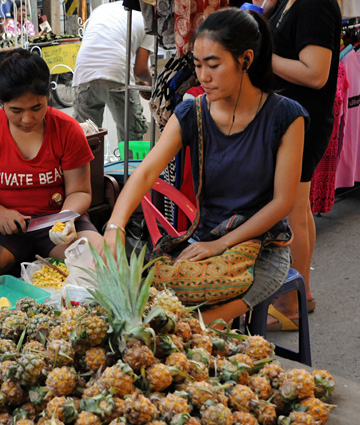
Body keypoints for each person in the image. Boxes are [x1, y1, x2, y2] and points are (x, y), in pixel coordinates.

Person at [100, 8, 308, 325]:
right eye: (197, 66)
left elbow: (283, 202)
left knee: (191, 326)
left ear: (246, 59)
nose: (203, 77)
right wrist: (115, 226)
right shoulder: (192, 113)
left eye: (213, 65)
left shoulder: (286, 116)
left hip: (262, 248)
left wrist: (221, 244)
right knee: (142, 298)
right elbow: (146, 171)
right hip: (200, 240)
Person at [0, 49, 104, 287]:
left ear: (47, 96)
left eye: (37, 108)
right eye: (16, 111)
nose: (27, 119)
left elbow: (80, 192)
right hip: (3, 227)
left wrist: (66, 219)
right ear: (2, 103)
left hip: (60, 226)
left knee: (106, 270)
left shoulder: (68, 129)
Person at [253, 0, 341, 330]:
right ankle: (300, 296)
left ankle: (291, 306)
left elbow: (316, 73)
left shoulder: (313, 4)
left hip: (302, 121)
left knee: (293, 210)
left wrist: (263, 57)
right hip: (291, 118)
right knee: (298, 210)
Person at [73, 1, 154, 145]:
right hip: (116, 72)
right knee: (131, 137)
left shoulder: (103, 9)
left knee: (85, 139)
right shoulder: (148, 18)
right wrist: (151, 83)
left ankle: (90, 167)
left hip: (83, 72)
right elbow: (140, 70)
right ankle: (131, 167)